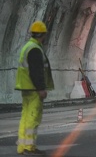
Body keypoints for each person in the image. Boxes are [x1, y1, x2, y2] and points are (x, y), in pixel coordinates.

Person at [15, 21, 54, 156]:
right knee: (33, 117)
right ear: (42, 35)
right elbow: (36, 71)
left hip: (26, 88)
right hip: (33, 89)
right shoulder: (35, 49)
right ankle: (29, 146)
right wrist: (41, 88)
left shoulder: (28, 46)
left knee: (25, 117)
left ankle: (22, 146)